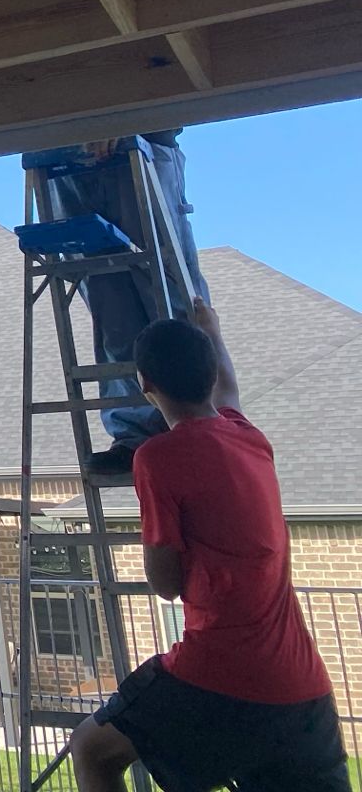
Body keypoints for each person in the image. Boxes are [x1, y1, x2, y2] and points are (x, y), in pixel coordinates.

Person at [68, 299, 348, 792]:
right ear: (208, 373)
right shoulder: (250, 437)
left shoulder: (157, 458)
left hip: (219, 674)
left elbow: (165, 585)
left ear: (145, 386)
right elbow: (231, 388)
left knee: (92, 750)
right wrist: (212, 328)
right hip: (303, 687)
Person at [28, 131, 208, 473]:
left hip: (141, 146)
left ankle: (196, 426)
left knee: (170, 302)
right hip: (62, 156)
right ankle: (134, 437)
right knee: (112, 310)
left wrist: (122, 117)